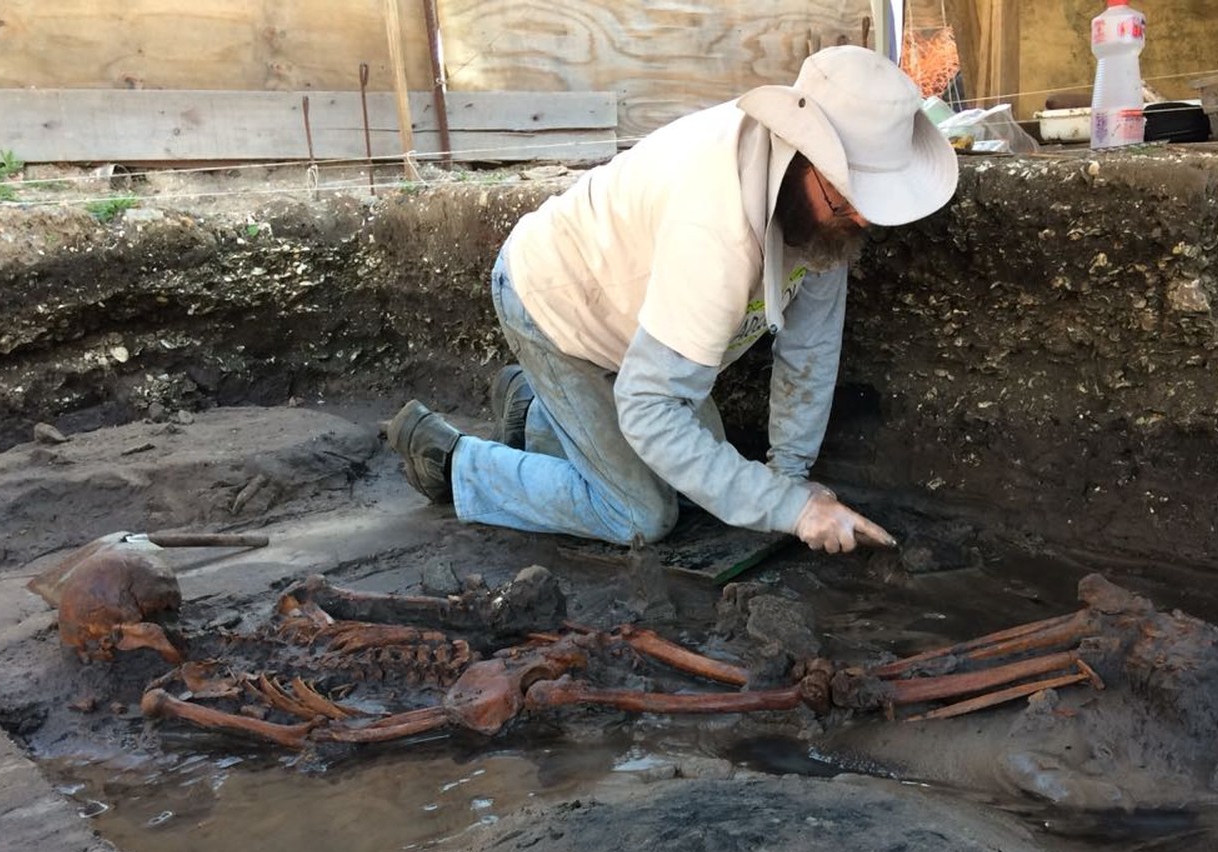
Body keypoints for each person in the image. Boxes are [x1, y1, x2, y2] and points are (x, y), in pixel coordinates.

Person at [387, 44, 957, 554]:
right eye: (847, 199)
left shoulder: (819, 212)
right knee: (642, 513)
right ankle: (453, 460)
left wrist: (789, 478)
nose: (858, 216)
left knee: (703, 489)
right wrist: (792, 511)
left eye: (870, 204)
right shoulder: (718, 226)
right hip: (556, 305)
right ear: (800, 155)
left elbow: (809, 346)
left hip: (636, 330)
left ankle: (535, 412)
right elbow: (650, 409)